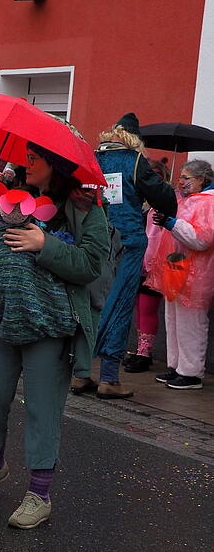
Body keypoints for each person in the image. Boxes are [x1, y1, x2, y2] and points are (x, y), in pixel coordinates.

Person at [0, 142, 109, 529]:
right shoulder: (7, 195)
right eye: (26, 158)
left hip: (51, 325)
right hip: (1, 316)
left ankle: (39, 493)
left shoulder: (86, 209)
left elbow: (92, 266)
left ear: (57, 164)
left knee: (42, 408)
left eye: (35, 159)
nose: (26, 164)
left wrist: (45, 244)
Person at [73, 114, 176, 399]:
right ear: (134, 139)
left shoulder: (90, 159)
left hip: (90, 240)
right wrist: (168, 199)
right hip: (127, 244)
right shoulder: (134, 161)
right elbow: (162, 197)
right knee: (118, 307)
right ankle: (108, 379)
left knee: (88, 304)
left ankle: (80, 374)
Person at [145, 159, 214, 390]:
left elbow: (201, 239)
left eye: (187, 178)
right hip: (179, 268)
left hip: (196, 273)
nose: (181, 182)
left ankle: (191, 372)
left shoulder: (209, 203)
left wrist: (172, 223)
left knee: (190, 323)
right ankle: (176, 366)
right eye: (181, 177)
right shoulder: (190, 200)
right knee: (174, 319)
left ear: (202, 179)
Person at [124, 157, 172, 373]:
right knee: (138, 308)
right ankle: (140, 350)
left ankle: (145, 352)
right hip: (138, 262)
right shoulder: (142, 205)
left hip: (155, 265)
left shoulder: (167, 205)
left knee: (147, 308)